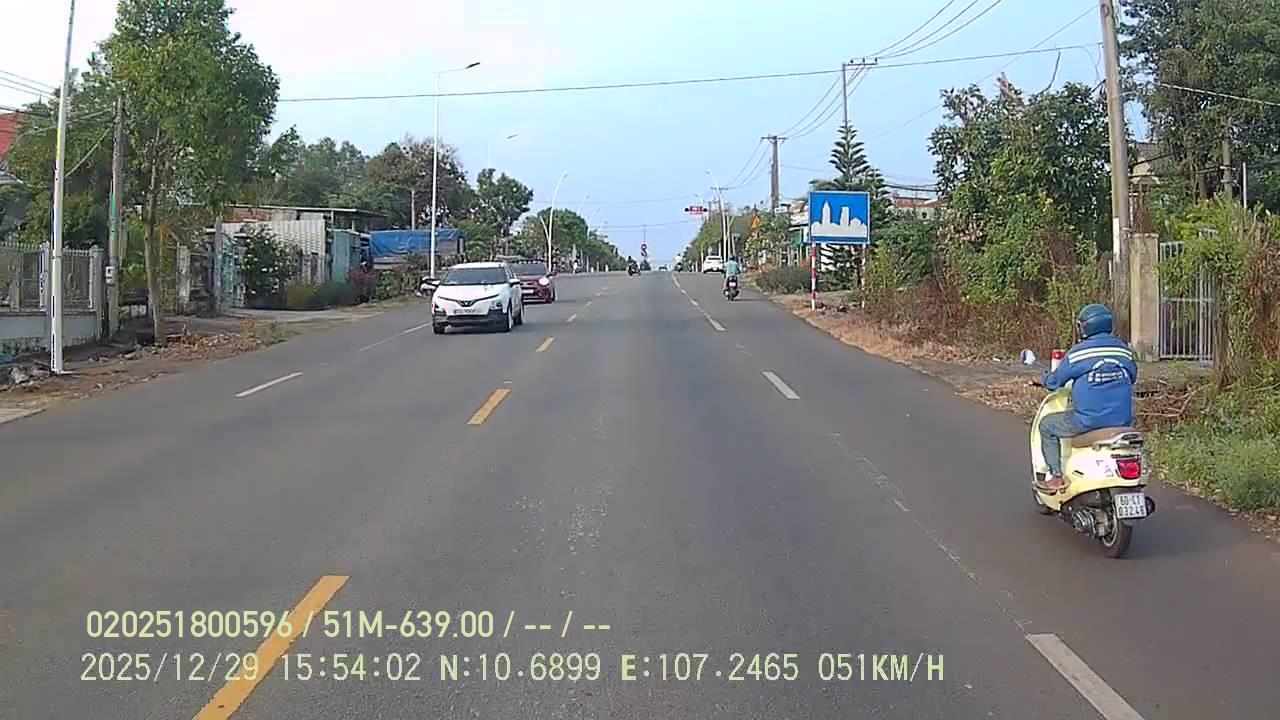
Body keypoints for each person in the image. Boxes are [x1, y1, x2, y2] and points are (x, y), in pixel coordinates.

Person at [1036, 303, 1138, 492]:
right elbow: (1132, 377)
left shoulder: (1079, 353)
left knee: (1047, 426)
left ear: (1085, 327)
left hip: (1088, 420)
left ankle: (1056, 477)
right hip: (1123, 419)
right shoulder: (1124, 350)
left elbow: (1055, 381)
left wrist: (1043, 379)